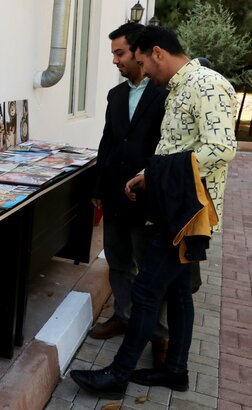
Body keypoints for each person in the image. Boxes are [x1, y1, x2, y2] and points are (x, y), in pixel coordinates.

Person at [70, 26, 237, 398]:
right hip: (169, 203)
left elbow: (222, 148)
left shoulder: (206, 85)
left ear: (157, 53)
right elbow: (174, 146)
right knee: (178, 294)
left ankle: (116, 376)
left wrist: (157, 172)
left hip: (186, 209)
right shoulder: (179, 87)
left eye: (142, 61)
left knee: (146, 291)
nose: (144, 70)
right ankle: (175, 371)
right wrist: (148, 175)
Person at [89, 23, 170, 367]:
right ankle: (123, 315)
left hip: (148, 198)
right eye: (113, 54)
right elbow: (109, 142)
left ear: (140, 53)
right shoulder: (115, 95)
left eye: (119, 53)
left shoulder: (166, 93)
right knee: (118, 261)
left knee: (151, 271)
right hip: (114, 195)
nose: (115, 61)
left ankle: (159, 336)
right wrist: (98, 188)